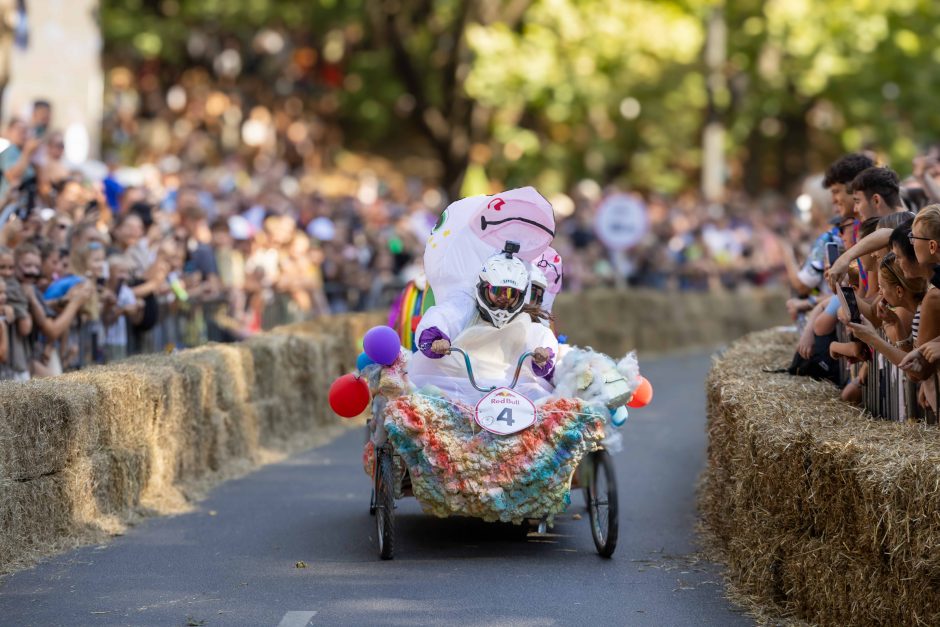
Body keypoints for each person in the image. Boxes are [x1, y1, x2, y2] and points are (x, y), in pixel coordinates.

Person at [410, 243, 558, 404]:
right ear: (483, 288)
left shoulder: (525, 320)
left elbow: (542, 337)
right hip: (458, 384)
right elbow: (445, 316)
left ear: (521, 295)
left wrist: (544, 355)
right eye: (498, 291)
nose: (504, 298)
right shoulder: (465, 303)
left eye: (511, 293)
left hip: (509, 392)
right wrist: (436, 339)